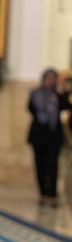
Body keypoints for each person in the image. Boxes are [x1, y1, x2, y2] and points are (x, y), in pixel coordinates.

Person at [27, 68, 71, 207]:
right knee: (40, 165)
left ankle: (52, 195)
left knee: (52, 165)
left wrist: (60, 92)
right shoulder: (35, 93)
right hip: (39, 134)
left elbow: (67, 106)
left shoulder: (58, 94)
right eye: (49, 78)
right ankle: (42, 194)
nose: (50, 81)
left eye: (53, 78)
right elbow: (31, 109)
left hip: (54, 136)